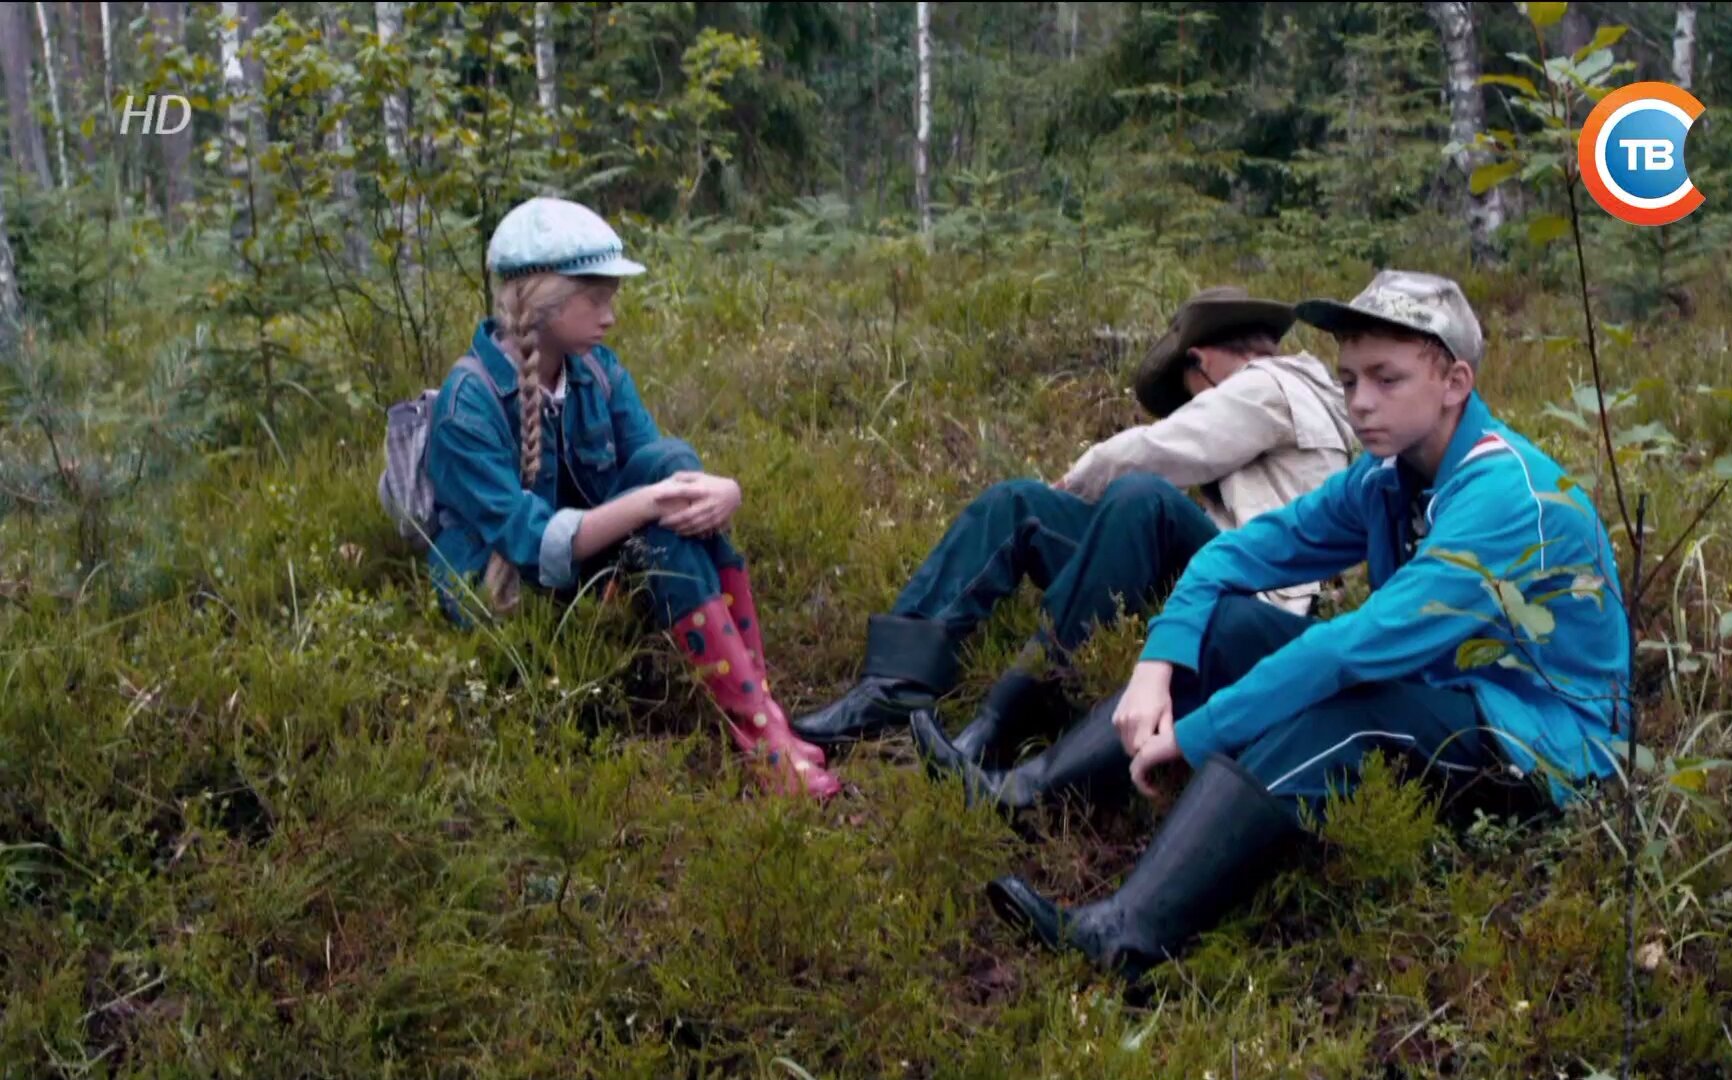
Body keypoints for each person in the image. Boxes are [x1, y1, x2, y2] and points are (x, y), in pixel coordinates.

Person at [982, 270, 1631, 977]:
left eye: (1387, 378)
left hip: (1542, 746)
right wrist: (1155, 663)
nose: (1360, 402)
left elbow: (1352, 651)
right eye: (1349, 379)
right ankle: (1031, 794)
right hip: (1444, 694)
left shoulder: (1504, 495)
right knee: (1233, 627)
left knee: (1345, 707)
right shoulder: (1387, 477)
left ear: (1454, 383)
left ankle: (1125, 933)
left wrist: (1198, 734)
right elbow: (1232, 555)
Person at [791, 287, 1356, 776]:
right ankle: (895, 684)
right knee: (1018, 504)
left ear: (1201, 359)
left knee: (1142, 498)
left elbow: (1162, 449)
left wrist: (1077, 482)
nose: (1193, 402)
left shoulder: (1273, 384)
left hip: (1254, 597)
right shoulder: (1280, 394)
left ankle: (1013, 712)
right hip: (1214, 577)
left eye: (1190, 391)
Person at [425, 196, 841, 800]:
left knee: (671, 463)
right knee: (660, 499)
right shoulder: (468, 400)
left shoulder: (597, 371)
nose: (610, 317)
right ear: (543, 301)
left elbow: (661, 472)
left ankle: (764, 721)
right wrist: (650, 504)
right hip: (509, 594)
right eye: (596, 299)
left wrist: (726, 491)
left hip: (586, 570)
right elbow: (529, 542)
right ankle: (762, 734)